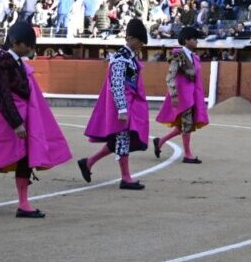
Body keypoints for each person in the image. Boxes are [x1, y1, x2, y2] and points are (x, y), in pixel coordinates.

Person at [0, 22, 71, 218]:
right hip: (7, 123)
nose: (31, 48)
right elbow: (2, 96)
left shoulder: (17, 63)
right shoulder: (2, 63)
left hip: (21, 121)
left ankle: (24, 204)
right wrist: (16, 123)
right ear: (16, 43)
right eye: (28, 45)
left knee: (25, 159)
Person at [79, 18, 151, 190]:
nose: (141, 44)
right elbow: (117, 84)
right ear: (130, 38)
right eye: (139, 41)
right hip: (122, 106)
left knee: (118, 140)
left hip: (127, 104)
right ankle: (125, 178)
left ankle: (88, 162)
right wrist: (122, 109)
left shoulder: (128, 57)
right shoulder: (120, 59)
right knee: (122, 139)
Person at [153, 26, 209, 164]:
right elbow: (170, 76)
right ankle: (188, 154)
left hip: (192, 95)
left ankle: (160, 141)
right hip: (183, 96)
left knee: (183, 125)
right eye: (194, 39)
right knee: (187, 124)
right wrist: (174, 95)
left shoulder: (193, 57)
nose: (197, 41)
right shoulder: (178, 55)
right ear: (186, 40)